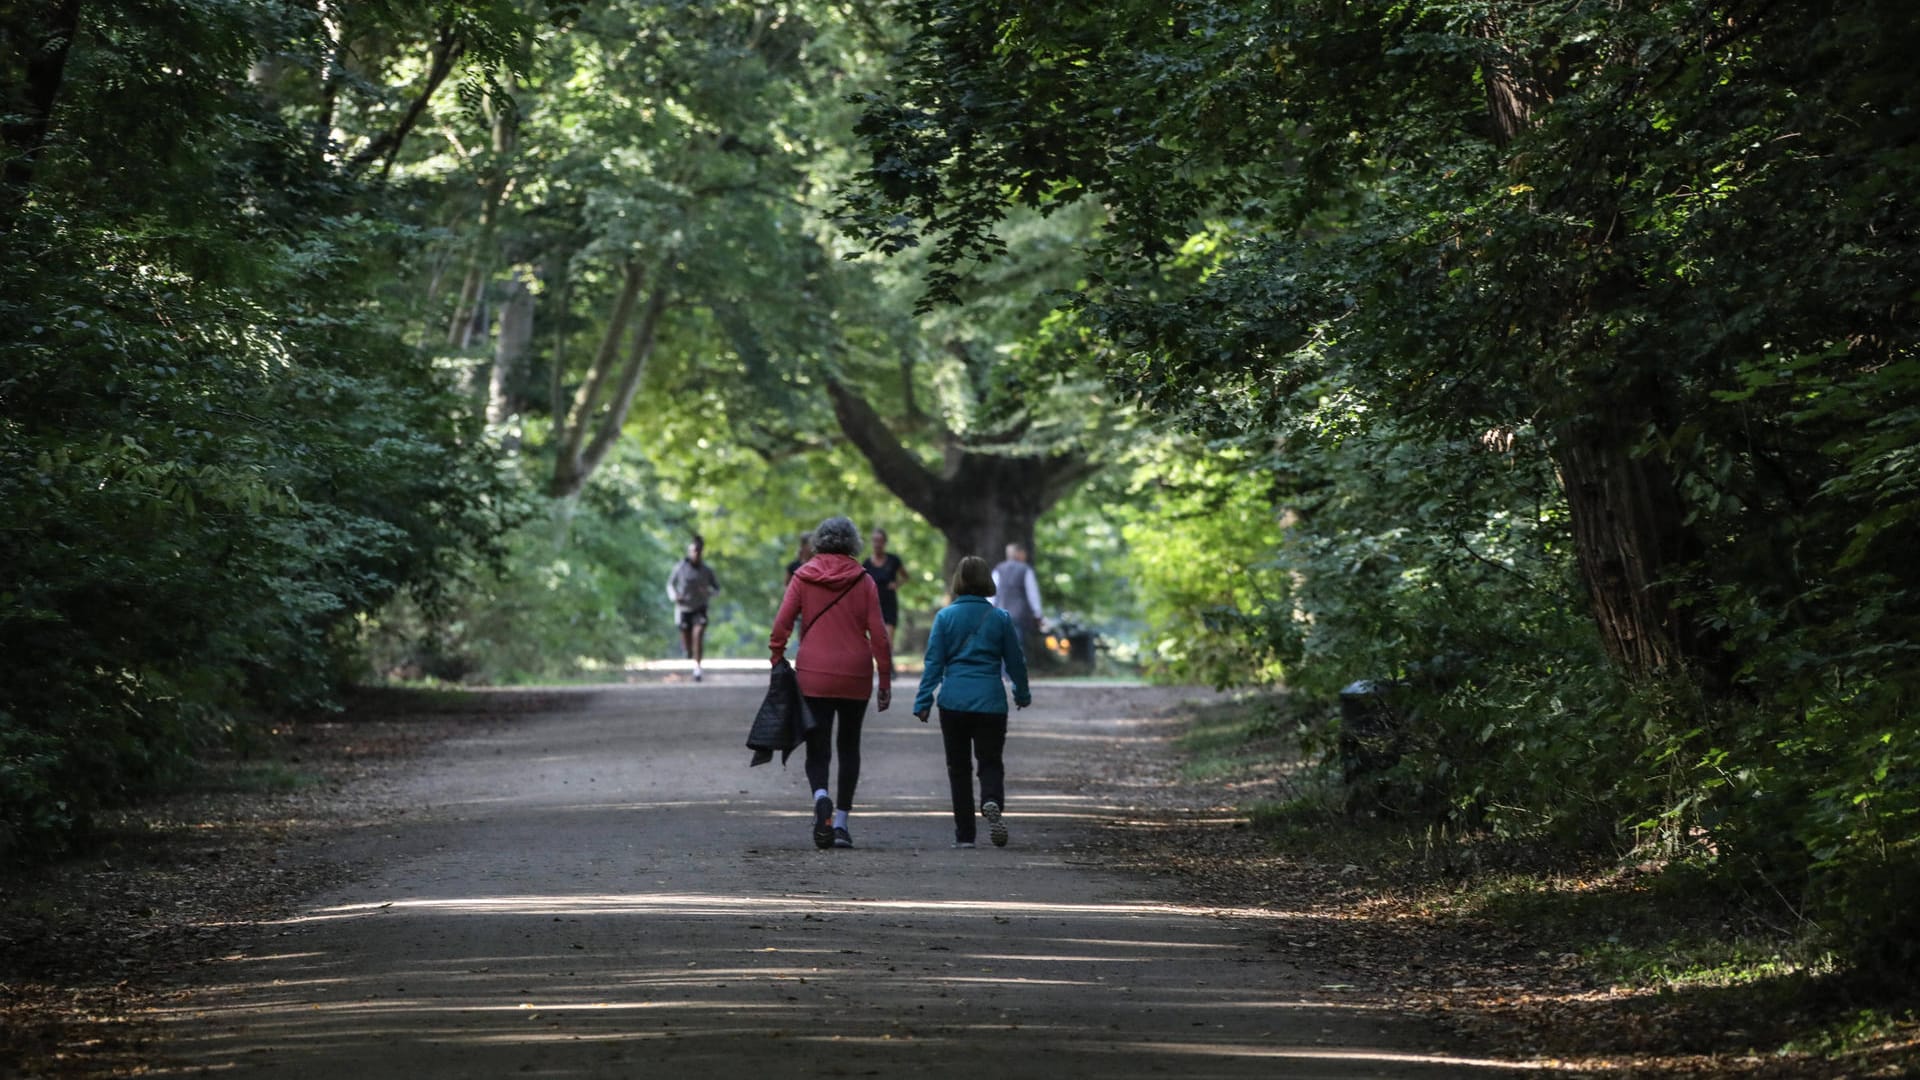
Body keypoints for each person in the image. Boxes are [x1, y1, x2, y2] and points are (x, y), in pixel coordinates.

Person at [769, 516, 893, 850]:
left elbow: (782, 622)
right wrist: (885, 679)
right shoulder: (863, 579)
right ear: (853, 542)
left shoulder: (803, 575)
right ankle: (841, 824)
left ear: (820, 541)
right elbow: (879, 634)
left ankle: (821, 796)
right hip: (855, 672)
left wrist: (777, 658)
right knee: (849, 746)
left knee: (818, 745)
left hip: (814, 674)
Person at [914, 556, 1030, 848]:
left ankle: (965, 835)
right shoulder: (1000, 618)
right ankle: (991, 801)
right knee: (990, 762)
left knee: (959, 768)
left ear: (958, 581)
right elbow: (1016, 661)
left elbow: (933, 664)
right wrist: (1021, 692)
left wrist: (923, 699)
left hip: (953, 702)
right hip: (990, 701)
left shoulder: (944, 617)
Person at [666, 535, 720, 682]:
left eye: (699, 551)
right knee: (688, 643)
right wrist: (674, 595)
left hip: (700, 608)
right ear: (689, 551)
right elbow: (670, 584)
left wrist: (708, 592)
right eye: (693, 551)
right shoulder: (680, 567)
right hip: (683, 609)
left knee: (699, 634)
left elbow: (717, 589)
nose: (696, 554)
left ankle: (697, 669)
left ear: (702, 552)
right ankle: (689, 651)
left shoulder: (706, 570)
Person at [990, 542, 1045, 663]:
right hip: (1019, 613)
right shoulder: (1025, 570)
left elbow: (992, 593)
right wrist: (1038, 614)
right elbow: (1032, 594)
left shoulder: (999, 569)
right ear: (1019, 553)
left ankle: (1004, 674)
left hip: (1000, 612)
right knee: (1016, 643)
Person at [862, 527, 904, 642]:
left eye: (880, 540)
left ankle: (889, 659)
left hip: (889, 603)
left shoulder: (893, 560)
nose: (877, 544)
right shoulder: (866, 563)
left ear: (885, 542)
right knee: (876, 642)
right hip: (873, 604)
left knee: (888, 642)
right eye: (875, 540)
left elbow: (905, 576)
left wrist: (897, 584)